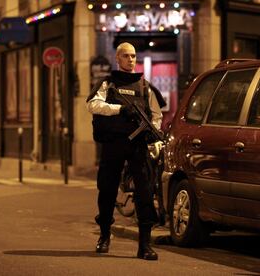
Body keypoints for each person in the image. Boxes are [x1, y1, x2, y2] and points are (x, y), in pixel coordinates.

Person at [86, 42, 166, 260]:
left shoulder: (144, 86)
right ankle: (104, 236)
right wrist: (120, 108)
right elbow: (92, 105)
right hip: (113, 144)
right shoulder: (108, 83)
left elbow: (157, 115)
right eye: (126, 56)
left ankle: (145, 245)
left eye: (133, 56)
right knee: (107, 191)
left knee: (145, 193)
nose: (131, 60)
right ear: (117, 59)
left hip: (138, 146)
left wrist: (153, 132)